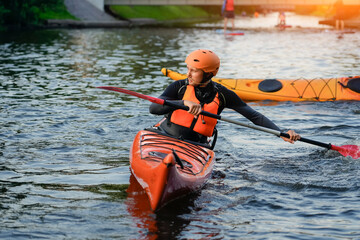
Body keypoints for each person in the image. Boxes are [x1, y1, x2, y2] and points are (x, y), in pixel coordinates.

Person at [149, 49, 300, 147]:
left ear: (208, 73)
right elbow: (153, 108)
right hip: (165, 136)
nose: (188, 74)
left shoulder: (223, 94)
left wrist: (281, 133)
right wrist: (182, 103)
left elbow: (254, 116)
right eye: (188, 69)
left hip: (196, 147)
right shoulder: (179, 87)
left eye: (194, 71)